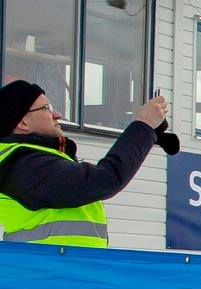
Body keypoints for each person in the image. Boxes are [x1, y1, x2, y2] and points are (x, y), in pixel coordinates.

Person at [0, 79, 168, 247]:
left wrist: (148, 131)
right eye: (47, 108)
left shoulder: (31, 161)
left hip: (62, 268)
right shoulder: (25, 166)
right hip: (51, 270)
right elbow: (106, 178)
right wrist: (143, 126)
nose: (57, 114)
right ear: (23, 123)